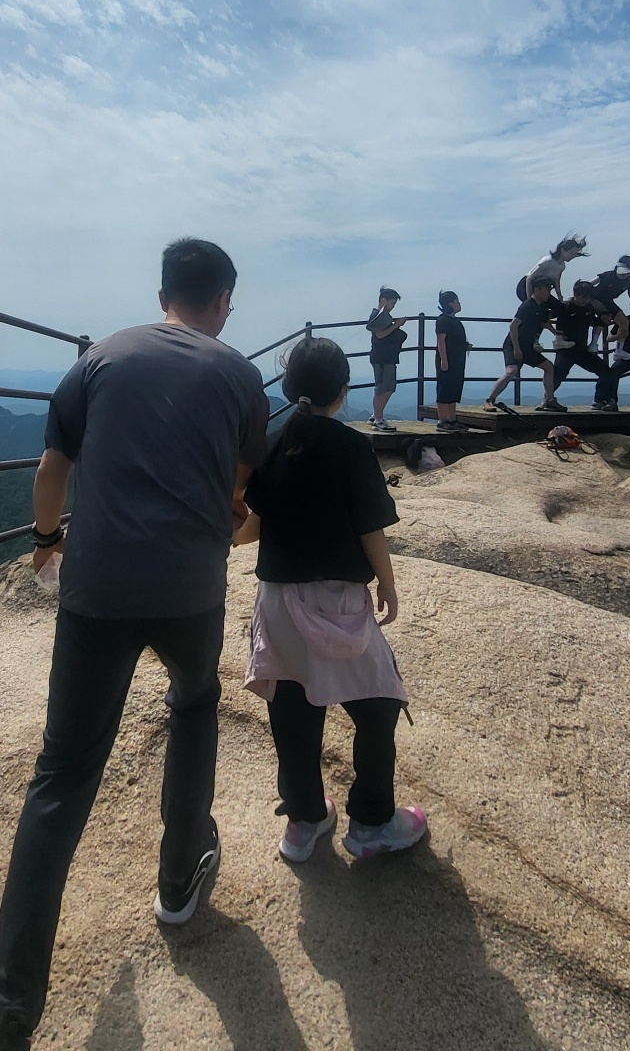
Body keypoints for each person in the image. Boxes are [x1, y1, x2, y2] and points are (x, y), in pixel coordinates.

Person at [0, 239, 270, 1051]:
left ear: (163, 292)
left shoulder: (99, 359)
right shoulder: (241, 376)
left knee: (60, 779)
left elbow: (50, 471)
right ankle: (179, 884)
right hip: (188, 592)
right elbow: (244, 492)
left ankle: (10, 1023)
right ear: (221, 303)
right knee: (194, 707)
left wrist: (45, 542)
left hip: (96, 593)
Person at [235, 336, 428, 863]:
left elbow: (252, 527)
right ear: (342, 392)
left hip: (278, 602)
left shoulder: (270, 442)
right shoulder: (350, 446)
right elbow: (371, 528)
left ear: (291, 386)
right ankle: (372, 822)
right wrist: (387, 583)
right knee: (378, 704)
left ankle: (303, 820)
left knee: (293, 709)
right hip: (337, 601)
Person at [486, 278, 561, 411]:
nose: (548, 293)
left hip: (528, 347)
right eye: (546, 290)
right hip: (514, 344)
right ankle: (489, 400)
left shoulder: (543, 307)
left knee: (549, 367)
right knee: (511, 371)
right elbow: (513, 326)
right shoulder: (527, 305)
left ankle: (550, 400)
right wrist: (516, 348)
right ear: (536, 289)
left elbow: (544, 323)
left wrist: (556, 333)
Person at [551, 280, 625, 411]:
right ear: (576, 294)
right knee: (558, 375)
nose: (585, 300)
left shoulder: (589, 308)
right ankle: (547, 400)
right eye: (583, 297)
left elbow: (594, 322)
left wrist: (604, 320)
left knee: (606, 371)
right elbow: (548, 318)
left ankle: (602, 400)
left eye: (588, 297)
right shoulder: (565, 306)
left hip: (581, 349)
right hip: (565, 349)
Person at [366, 288, 406, 431]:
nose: (393, 306)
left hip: (388, 357)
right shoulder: (376, 316)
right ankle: (378, 419)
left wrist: (395, 323)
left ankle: (376, 415)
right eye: (392, 303)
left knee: (389, 387)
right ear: (383, 301)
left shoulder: (383, 316)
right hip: (382, 357)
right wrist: (396, 326)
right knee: (382, 388)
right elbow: (380, 335)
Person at [434, 291, 470, 432]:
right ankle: (443, 420)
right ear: (450, 304)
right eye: (456, 301)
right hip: (448, 359)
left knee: (454, 389)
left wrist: (465, 345)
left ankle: (452, 418)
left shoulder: (454, 321)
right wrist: (444, 360)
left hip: (457, 359)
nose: (459, 304)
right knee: (444, 389)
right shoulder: (442, 320)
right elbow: (440, 340)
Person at [516, 234, 588, 302]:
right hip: (526, 287)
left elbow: (556, 282)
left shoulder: (562, 266)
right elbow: (529, 279)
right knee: (538, 307)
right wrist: (529, 300)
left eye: (574, 254)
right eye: (571, 253)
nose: (572, 256)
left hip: (542, 289)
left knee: (558, 307)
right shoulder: (547, 261)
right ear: (562, 250)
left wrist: (560, 297)